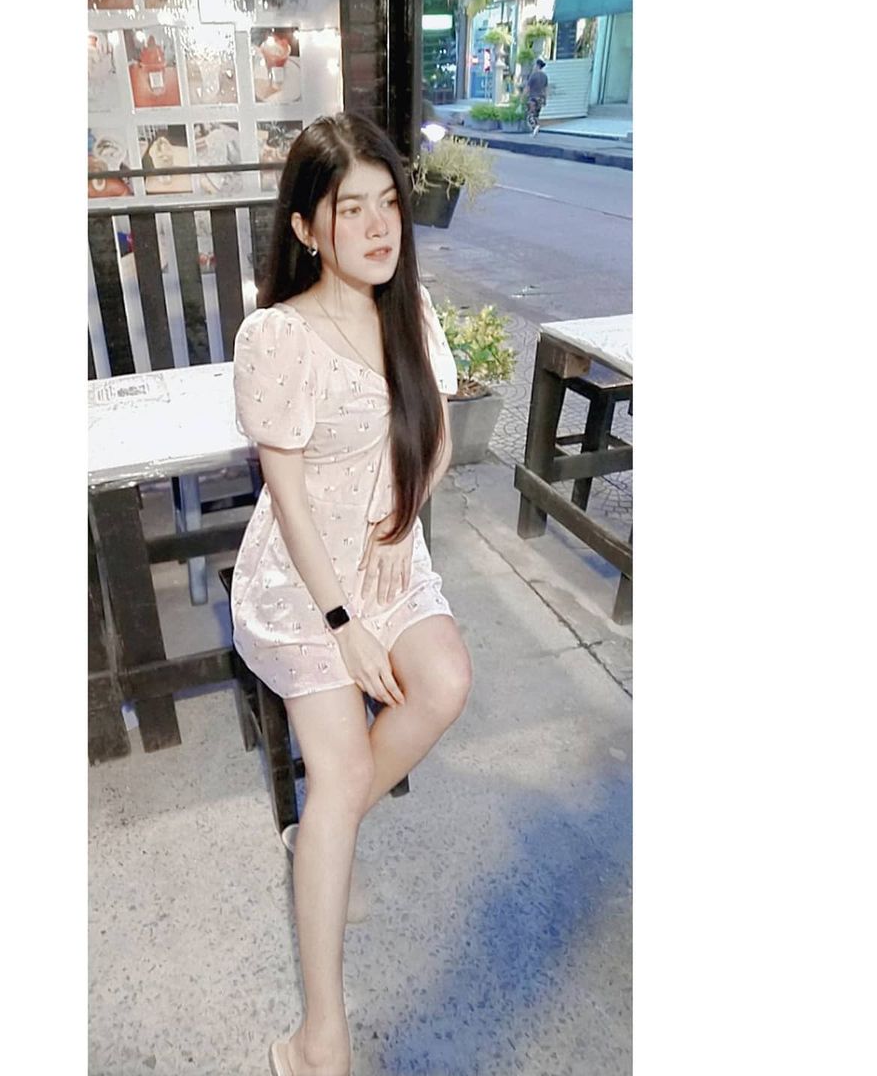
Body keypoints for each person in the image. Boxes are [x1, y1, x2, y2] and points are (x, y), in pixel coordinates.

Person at [230, 112, 473, 1076]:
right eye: (350, 210)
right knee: (335, 773)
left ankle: (321, 842)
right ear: (305, 229)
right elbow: (286, 500)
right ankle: (319, 1039)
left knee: (444, 684)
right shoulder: (279, 337)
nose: (378, 228)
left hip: (384, 550)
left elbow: (436, 432)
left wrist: (403, 524)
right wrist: (344, 625)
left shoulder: (409, 310)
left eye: (389, 206)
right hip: (302, 582)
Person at [524, 56, 549, 129]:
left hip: (533, 98)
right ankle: (536, 128)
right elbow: (546, 89)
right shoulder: (545, 76)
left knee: (530, 115)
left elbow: (527, 88)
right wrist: (545, 100)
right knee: (537, 115)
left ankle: (534, 128)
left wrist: (522, 97)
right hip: (540, 98)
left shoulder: (533, 75)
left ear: (537, 65)